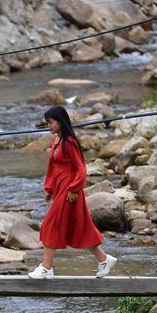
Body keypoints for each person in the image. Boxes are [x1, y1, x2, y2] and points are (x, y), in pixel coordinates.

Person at [29, 105, 117, 279]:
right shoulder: (56, 141)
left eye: (51, 122)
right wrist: (49, 188)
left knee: (50, 225)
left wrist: (74, 188)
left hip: (69, 191)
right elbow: (53, 167)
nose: (49, 126)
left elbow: (80, 169)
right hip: (60, 188)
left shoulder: (69, 142)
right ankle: (104, 259)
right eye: (47, 123)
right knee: (79, 228)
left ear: (61, 122)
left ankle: (46, 268)